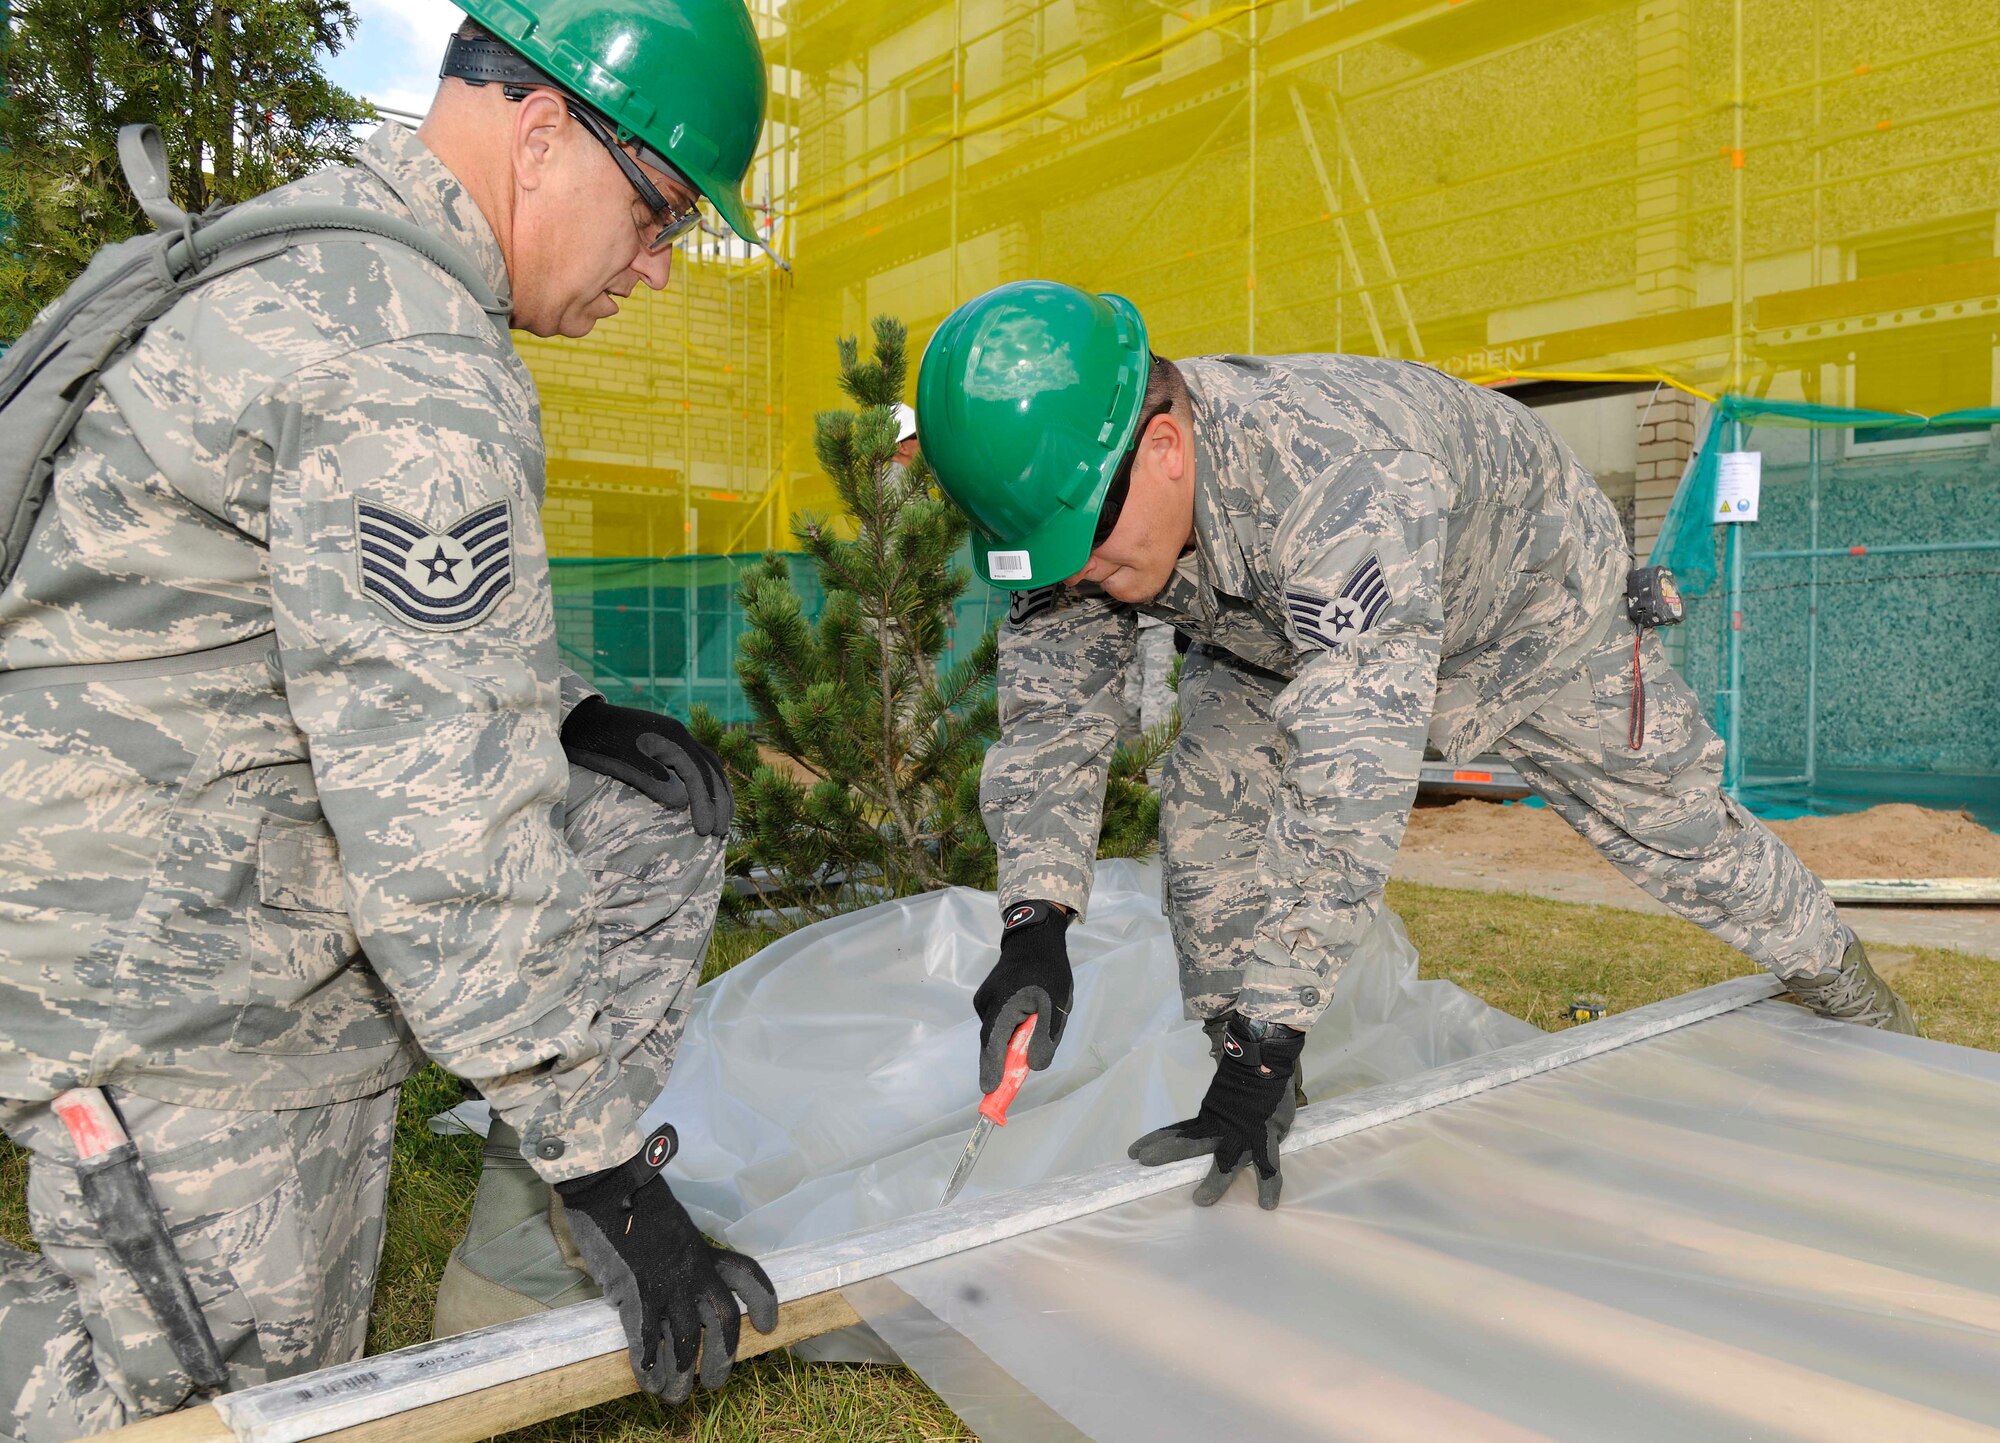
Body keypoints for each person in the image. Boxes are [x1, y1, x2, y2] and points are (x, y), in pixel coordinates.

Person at [0, 3, 777, 1435]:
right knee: (234, 1404)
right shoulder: (406, 357)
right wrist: (610, 1168)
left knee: (640, 818)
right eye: (661, 211)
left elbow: (314, 621)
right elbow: (443, 817)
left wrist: (570, 713)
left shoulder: (339, 264)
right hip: (155, 968)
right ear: (545, 137)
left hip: (198, 850)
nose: (660, 268)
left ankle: (510, 1272)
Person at [917, 280, 1919, 1213]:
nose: (1080, 573)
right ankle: (1248, 1105)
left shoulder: (1337, 477)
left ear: (1166, 448)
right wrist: (1034, 922)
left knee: (1681, 829)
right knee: (1207, 820)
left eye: (1086, 541)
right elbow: (1052, 717)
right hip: (1275, 629)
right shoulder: (1083, 503)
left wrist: (1280, 1018)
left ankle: (1864, 1015)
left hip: (1525, 615)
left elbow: (1348, 785)